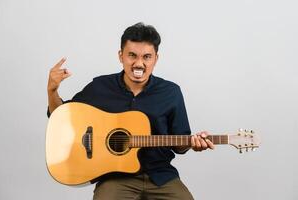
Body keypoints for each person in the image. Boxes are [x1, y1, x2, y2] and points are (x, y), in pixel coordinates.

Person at [47, 22, 214, 200]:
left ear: (156, 58)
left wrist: (193, 143)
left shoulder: (171, 92)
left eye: (147, 57)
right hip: (115, 176)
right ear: (121, 56)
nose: (139, 64)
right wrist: (52, 90)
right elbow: (60, 118)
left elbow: (179, 144)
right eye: (132, 55)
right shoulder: (100, 87)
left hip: (160, 175)